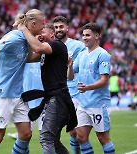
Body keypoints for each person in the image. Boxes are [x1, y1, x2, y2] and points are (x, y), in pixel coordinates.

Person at [0, 9, 45, 154]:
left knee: (26, 134)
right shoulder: (14, 37)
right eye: (43, 24)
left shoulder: (27, 39)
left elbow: (27, 59)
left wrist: (41, 52)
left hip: (18, 95)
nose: (44, 27)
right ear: (33, 24)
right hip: (4, 94)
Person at [18, 23, 77, 154]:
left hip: (58, 99)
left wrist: (24, 29)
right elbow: (29, 57)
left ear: (52, 34)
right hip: (54, 99)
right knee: (54, 140)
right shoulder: (46, 50)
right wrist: (31, 38)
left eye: (42, 32)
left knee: (46, 138)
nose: (39, 35)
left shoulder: (58, 45)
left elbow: (37, 48)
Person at [69, 23, 115, 154]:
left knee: (103, 138)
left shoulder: (103, 54)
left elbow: (104, 80)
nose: (84, 38)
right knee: (81, 137)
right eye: (83, 35)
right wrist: (69, 66)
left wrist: (88, 87)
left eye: (87, 35)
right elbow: (71, 77)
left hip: (98, 103)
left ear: (97, 36)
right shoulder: (82, 55)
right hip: (83, 103)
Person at [53, 15, 86, 154]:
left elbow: (84, 66)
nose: (58, 29)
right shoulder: (51, 45)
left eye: (61, 27)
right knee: (53, 131)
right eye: (56, 27)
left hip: (74, 93)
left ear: (67, 28)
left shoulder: (78, 46)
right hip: (55, 92)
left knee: (74, 131)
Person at [8, 62, 44, 139]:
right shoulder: (25, 58)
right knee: (24, 136)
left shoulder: (46, 57)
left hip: (43, 101)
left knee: (46, 136)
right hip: (27, 101)